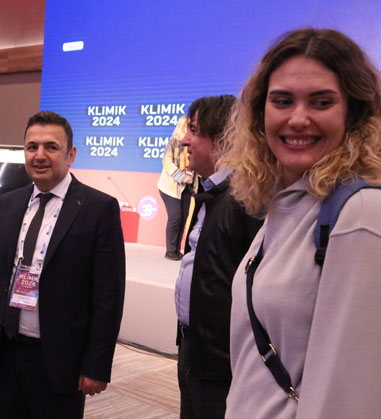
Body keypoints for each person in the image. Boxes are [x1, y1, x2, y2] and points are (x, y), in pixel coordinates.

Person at [220, 28, 381, 419]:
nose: (297, 119)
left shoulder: (359, 214)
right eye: (282, 101)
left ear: (353, 113)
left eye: (321, 102)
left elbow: (349, 399)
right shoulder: (287, 203)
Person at [0, 111, 125, 418]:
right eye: (32, 147)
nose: (39, 155)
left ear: (71, 155)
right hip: (9, 353)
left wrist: (97, 364)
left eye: (51, 147)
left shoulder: (99, 209)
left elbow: (108, 296)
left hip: (61, 361)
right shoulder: (10, 202)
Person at [174, 95, 262, 419]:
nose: (185, 140)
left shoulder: (247, 200)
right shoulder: (209, 192)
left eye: (195, 131)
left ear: (223, 138)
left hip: (221, 366)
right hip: (194, 349)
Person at [157, 116, 194, 260]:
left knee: (183, 218)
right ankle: (170, 250)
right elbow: (167, 162)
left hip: (186, 186)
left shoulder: (193, 144)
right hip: (170, 187)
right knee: (175, 217)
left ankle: (177, 250)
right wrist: (181, 177)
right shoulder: (173, 143)